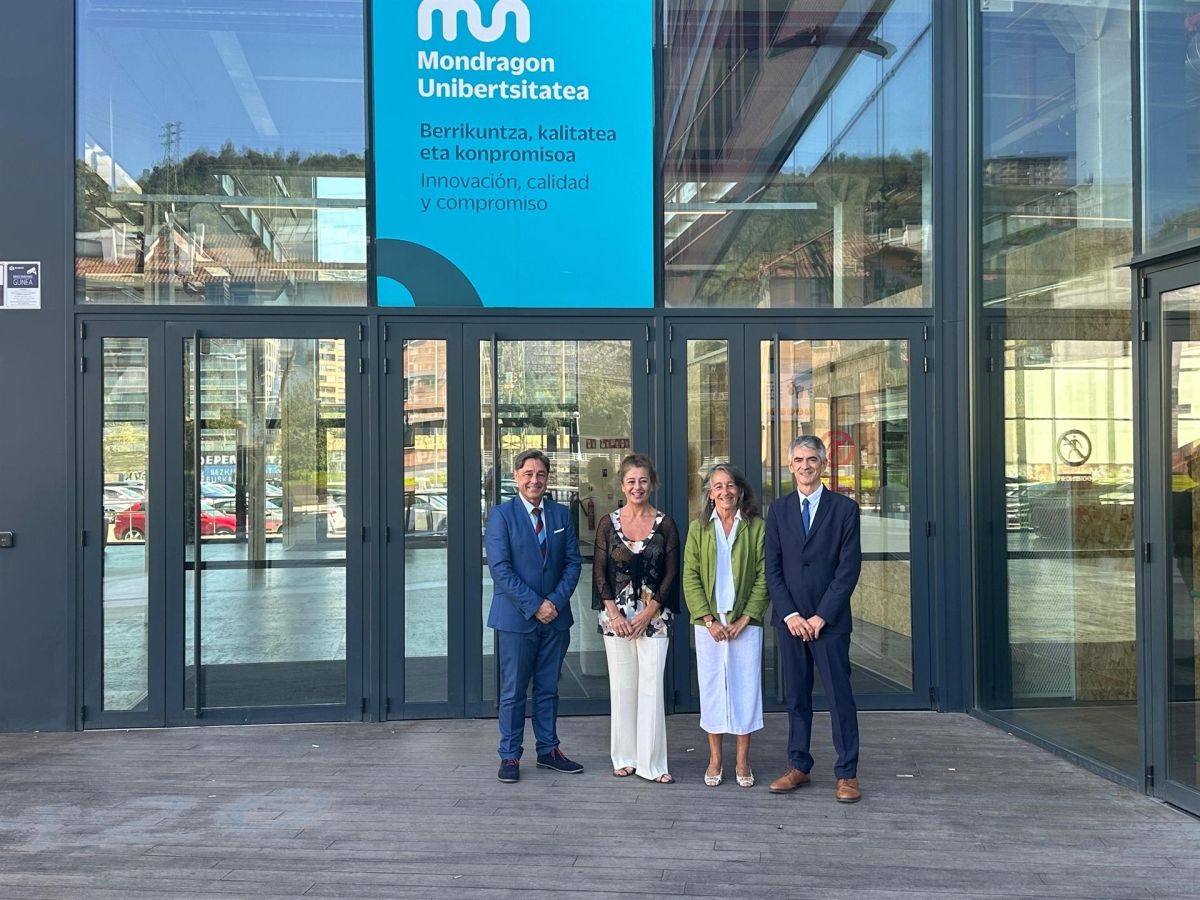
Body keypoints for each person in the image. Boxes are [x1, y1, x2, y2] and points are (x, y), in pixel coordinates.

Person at [765, 435, 863, 803]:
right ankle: (798, 766)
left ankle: (847, 774)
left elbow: (848, 569)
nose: (805, 466)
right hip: (790, 623)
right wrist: (791, 614)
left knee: (840, 698)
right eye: (798, 460)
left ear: (822, 464)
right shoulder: (779, 510)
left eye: (811, 459)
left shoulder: (845, 509)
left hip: (829, 623)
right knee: (796, 697)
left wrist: (822, 615)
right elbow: (772, 568)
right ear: (790, 466)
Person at [485, 449, 583, 783]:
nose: (534, 480)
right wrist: (535, 605)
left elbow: (572, 563)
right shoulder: (501, 516)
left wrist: (553, 602)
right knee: (513, 691)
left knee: (548, 688)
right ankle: (510, 755)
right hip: (516, 619)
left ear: (547, 478)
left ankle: (549, 751)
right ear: (516, 476)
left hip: (555, 618)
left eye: (540, 474)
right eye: (528, 474)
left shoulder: (561, 515)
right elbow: (500, 568)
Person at [592, 453, 681, 784]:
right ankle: (625, 757)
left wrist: (648, 612)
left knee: (651, 688)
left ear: (652, 484)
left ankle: (652, 764)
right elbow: (599, 572)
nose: (637, 486)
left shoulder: (666, 524)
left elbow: (671, 574)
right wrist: (614, 612)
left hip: (654, 617)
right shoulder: (608, 523)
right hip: (615, 618)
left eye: (643, 480)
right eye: (631, 481)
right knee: (623, 687)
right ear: (622, 485)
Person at [682, 463, 768, 788]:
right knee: (713, 688)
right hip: (710, 624)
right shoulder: (698, 528)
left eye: (730, 485)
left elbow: (764, 576)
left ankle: (743, 760)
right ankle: (715, 758)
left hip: (745, 622)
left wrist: (747, 617)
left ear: (740, 490)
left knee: (746, 688)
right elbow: (690, 576)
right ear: (709, 494)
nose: (724, 491)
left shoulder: (757, 527)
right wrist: (707, 619)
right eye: (717, 486)